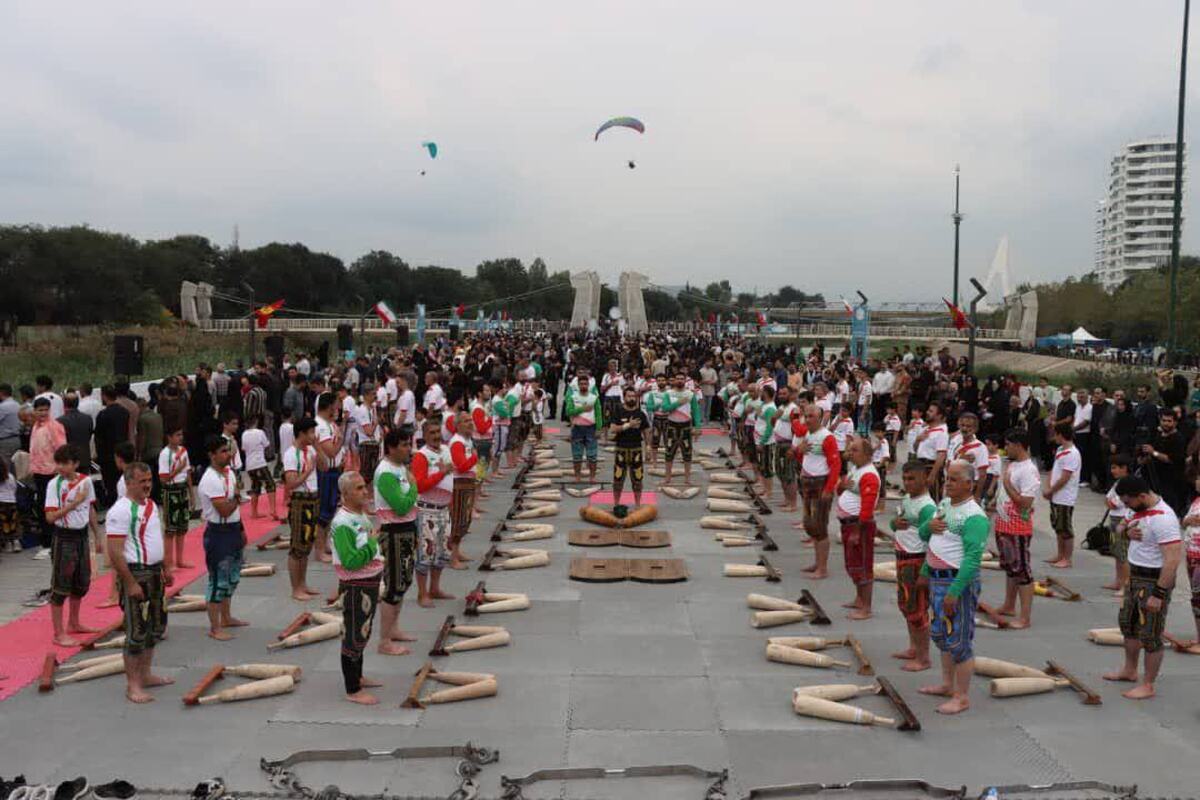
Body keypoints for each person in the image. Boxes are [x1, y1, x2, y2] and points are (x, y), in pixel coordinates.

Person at [1104, 475, 1183, 700]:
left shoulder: (1164, 518)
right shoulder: (1136, 508)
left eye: (1128, 502)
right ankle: (1129, 670)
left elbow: (1172, 560)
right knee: (1128, 625)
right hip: (1135, 576)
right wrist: (1126, 532)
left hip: (1154, 579)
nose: (1127, 507)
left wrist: (1159, 594)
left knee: (1150, 634)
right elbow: (1120, 526)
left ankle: (1148, 684)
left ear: (1141, 496)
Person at [918, 460, 987, 715]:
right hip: (937, 579)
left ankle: (962, 696)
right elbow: (926, 536)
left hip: (957, 582)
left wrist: (955, 591)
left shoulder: (974, 516)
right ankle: (947, 684)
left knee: (958, 640)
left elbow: (972, 559)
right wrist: (925, 570)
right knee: (940, 634)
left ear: (970, 484)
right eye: (948, 478)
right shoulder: (945, 505)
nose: (948, 483)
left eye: (954, 479)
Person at [105, 461, 173, 703]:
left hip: (155, 573)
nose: (147, 485)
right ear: (128, 483)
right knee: (136, 632)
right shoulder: (120, 511)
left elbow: (157, 538)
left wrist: (165, 567)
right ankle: (132, 685)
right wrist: (130, 582)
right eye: (141, 481)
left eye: (149, 480)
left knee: (155, 627)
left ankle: (146, 674)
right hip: (137, 574)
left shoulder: (152, 505)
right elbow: (114, 551)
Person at [330, 470, 385, 705]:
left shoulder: (359, 514)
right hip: (355, 586)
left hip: (368, 582)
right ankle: (352, 689)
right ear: (345, 493)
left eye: (364, 486)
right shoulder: (342, 523)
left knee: (363, 631)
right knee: (353, 635)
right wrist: (373, 543)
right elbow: (350, 561)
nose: (365, 491)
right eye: (359, 488)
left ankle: (358, 676)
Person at [44, 445, 100, 646]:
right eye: (58, 463)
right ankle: (58, 633)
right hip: (64, 537)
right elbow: (50, 517)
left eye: (65, 463)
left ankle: (74, 622)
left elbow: (90, 508)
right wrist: (73, 504)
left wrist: (97, 535)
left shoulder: (86, 481)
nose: (61, 467)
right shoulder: (54, 485)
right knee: (61, 585)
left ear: (75, 464)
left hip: (82, 535)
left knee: (81, 581)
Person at [374, 428, 419, 655]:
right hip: (393, 532)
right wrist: (414, 487)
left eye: (409, 444)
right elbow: (401, 506)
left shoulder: (400, 468)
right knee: (393, 586)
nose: (408, 449)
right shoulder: (385, 472)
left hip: (407, 528)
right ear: (391, 448)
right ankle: (384, 641)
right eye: (404, 445)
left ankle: (394, 629)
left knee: (403, 582)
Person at [198, 435, 248, 641]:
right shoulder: (210, 479)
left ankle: (226, 617)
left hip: (233, 529)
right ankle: (214, 627)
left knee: (232, 578)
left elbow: (233, 509)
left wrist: (242, 530)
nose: (228, 455)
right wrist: (237, 497)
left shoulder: (229, 473)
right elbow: (224, 510)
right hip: (218, 533)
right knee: (218, 581)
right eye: (223, 452)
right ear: (212, 455)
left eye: (228, 450)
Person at [890, 460, 935, 671]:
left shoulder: (927, 507)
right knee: (907, 606)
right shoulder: (908, 499)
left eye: (912, 479)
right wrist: (894, 524)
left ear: (924, 478)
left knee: (917, 610)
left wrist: (925, 572)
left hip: (916, 561)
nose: (907, 483)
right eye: (905, 479)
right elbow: (896, 523)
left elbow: (933, 544)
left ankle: (924, 658)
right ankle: (914, 648)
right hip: (903, 558)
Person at [993, 429, 1039, 629]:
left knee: (1021, 571)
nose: (1006, 448)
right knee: (1010, 568)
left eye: (1008, 445)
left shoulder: (1028, 470)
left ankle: (1025, 617)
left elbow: (1025, 503)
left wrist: (1007, 485)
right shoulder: (1013, 464)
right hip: (1004, 524)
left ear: (1019, 445)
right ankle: (1009, 605)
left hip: (1018, 527)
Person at [412, 419, 456, 608]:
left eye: (438, 431)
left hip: (444, 509)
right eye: (432, 432)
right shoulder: (421, 456)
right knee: (426, 552)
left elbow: (451, 479)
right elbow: (420, 485)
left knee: (443, 551)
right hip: (427, 510)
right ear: (424, 435)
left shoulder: (446, 450)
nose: (436, 436)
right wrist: (441, 473)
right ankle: (422, 593)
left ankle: (435, 588)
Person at [794, 404, 841, 578]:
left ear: (819, 418)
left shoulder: (827, 437)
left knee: (820, 527)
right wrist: (799, 451)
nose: (807, 420)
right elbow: (804, 458)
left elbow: (835, 464)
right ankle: (817, 562)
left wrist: (828, 489)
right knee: (810, 524)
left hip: (820, 483)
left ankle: (822, 568)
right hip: (808, 482)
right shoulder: (808, 434)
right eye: (806, 416)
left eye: (811, 416)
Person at [836, 436, 880, 620]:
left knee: (863, 566)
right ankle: (859, 599)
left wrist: (857, 532)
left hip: (859, 526)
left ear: (867, 454)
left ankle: (866, 607)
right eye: (850, 449)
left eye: (855, 450)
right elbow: (841, 490)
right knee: (852, 564)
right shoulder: (855, 469)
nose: (850, 453)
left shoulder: (869, 474)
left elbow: (867, 509)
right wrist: (842, 486)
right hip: (849, 524)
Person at [283, 418, 321, 602]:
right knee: (297, 546)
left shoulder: (311, 450)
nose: (313, 436)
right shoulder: (291, 454)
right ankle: (295, 588)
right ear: (301, 433)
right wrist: (308, 470)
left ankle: (303, 583)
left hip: (313, 498)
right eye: (311, 432)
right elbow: (291, 483)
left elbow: (324, 466)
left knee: (307, 544)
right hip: (300, 500)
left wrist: (318, 448)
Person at [30, 397, 67, 559]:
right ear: (34, 411)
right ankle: (47, 542)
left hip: (52, 473)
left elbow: (62, 450)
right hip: (39, 472)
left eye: (46, 410)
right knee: (41, 507)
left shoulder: (54, 426)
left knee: (50, 508)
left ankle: (51, 543)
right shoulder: (35, 427)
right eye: (40, 410)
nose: (43, 413)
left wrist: (61, 472)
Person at [1044, 420, 1081, 569]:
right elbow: (1054, 470)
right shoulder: (1060, 450)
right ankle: (1060, 554)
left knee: (1065, 529)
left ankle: (1067, 558)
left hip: (1065, 497)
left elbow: (1065, 477)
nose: (1054, 437)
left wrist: (1051, 490)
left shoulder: (1072, 454)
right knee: (1058, 527)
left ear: (1061, 435)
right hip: (1056, 496)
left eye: (1055, 434)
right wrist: (1048, 486)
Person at [314, 393, 346, 564]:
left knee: (331, 508)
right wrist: (341, 440)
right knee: (324, 510)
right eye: (336, 405)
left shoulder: (329, 423)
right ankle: (318, 550)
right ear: (329, 407)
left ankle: (324, 543)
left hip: (334, 470)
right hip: (325, 472)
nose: (338, 408)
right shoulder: (320, 425)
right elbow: (331, 451)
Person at [158, 427, 193, 570]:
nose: (180, 437)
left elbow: (188, 473)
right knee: (170, 529)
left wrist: (191, 494)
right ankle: (168, 561)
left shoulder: (183, 451)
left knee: (182, 527)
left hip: (182, 489)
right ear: (169, 437)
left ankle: (180, 560)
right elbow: (163, 479)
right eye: (177, 435)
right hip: (171, 491)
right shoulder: (164, 454)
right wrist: (179, 469)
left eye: (181, 434)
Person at [609, 386, 650, 509]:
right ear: (624, 397)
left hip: (636, 449)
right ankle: (616, 504)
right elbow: (613, 429)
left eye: (633, 396)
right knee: (618, 479)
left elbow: (646, 431)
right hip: (621, 449)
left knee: (638, 479)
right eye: (629, 396)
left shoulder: (640, 414)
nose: (632, 398)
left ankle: (637, 505)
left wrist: (648, 447)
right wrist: (628, 425)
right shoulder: (618, 411)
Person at [448, 411, 479, 570]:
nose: (470, 423)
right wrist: (474, 457)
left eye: (470, 420)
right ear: (458, 425)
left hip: (467, 483)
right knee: (458, 520)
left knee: (465, 519)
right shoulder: (457, 442)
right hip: (459, 484)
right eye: (466, 421)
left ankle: (457, 551)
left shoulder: (467, 440)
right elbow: (461, 466)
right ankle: (453, 558)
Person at [660, 373, 701, 487]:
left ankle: (687, 479)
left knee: (687, 452)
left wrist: (698, 427)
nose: (679, 380)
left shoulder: (690, 394)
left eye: (682, 379)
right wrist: (678, 403)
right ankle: (667, 478)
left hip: (686, 426)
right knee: (669, 452)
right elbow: (664, 408)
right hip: (672, 425)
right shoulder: (668, 393)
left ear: (685, 380)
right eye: (677, 378)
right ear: (674, 381)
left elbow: (696, 411)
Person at [1103, 454, 1133, 596]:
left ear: (1124, 468)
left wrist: (1109, 502)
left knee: (1123, 554)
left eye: (1115, 468)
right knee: (1116, 552)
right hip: (1114, 518)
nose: (1112, 471)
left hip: (1122, 519)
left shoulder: (1127, 483)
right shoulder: (1117, 483)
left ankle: (1126, 585)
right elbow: (1107, 499)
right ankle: (1118, 581)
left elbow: (1114, 503)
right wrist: (1109, 502)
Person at [565, 374, 602, 484]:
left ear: (588, 385)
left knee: (592, 455)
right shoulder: (573, 397)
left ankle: (592, 477)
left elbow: (598, 414)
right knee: (577, 455)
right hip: (577, 428)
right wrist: (582, 409)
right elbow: (568, 412)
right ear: (578, 385)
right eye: (581, 384)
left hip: (591, 428)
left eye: (585, 384)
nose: (583, 386)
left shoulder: (594, 398)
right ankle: (577, 476)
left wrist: (598, 428)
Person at [241, 416, 277, 521]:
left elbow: (244, 448)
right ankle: (272, 510)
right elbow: (267, 444)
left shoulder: (244, 434)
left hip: (249, 464)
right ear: (256, 422)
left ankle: (254, 512)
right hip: (259, 462)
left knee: (255, 486)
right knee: (270, 485)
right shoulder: (260, 432)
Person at [914, 402, 949, 500]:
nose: (927, 413)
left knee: (932, 498)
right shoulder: (926, 429)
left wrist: (933, 475)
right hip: (920, 466)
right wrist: (918, 440)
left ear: (939, 415)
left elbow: (941, 455)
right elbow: (916, 449)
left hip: (931, 467)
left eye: (931, 411)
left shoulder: (941, 432)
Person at [57, 393, 93, 457]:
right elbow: (89, 435)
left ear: (64, 404)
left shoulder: (59, 421)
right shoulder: (88, 418)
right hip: (84, 456)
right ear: (77, 403)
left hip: (68, 458)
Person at [0, 383, 20, 461]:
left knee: (5, 464)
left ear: (1, 393)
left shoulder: (2, 407)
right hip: (17, 439)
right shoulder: (17, 405)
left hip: (5, 441)